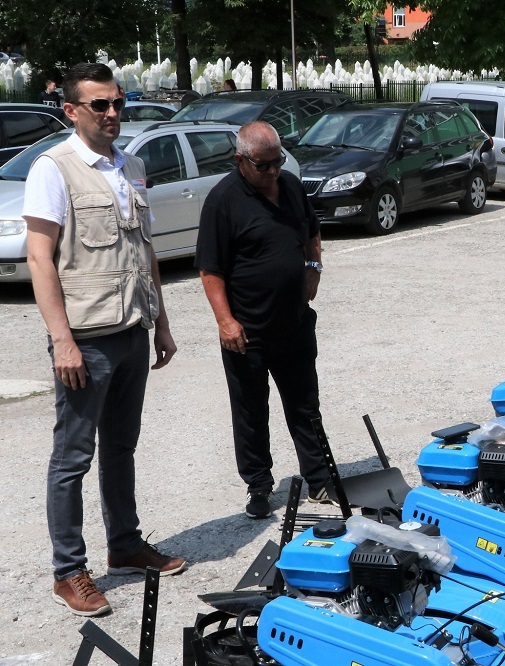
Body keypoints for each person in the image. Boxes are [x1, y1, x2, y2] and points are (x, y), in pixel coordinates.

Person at [22, 62, 187, 617]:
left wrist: (160, 322)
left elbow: (145, 250)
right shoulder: (54, 168)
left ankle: (125, 545)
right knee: (72, 457)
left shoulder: (131, 165)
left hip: (132, 330)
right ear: (71, 110)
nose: (113, 112)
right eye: (100, 104)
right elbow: (40, 258)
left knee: (121, 447)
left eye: (118, 102)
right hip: (86, 339)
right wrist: (62, 340)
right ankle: (69, 570)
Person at [195, 121, 334, 519]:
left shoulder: (290, 186)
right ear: (240, 160)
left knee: (305, 405)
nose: (273, 171)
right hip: (247, 332)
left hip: (294, 324)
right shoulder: (223, 201)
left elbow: (312, 231)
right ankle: (258, 484)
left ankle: (319, 479)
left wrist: (313, 267)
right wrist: (225, 321)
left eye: (278, 162)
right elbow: (210, 270)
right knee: (251, 412)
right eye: (264, 166)